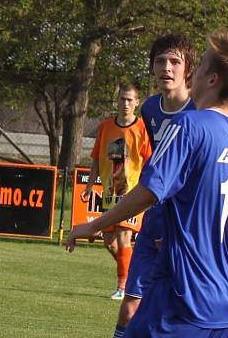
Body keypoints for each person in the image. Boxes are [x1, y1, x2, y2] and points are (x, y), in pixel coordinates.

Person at [68, 30, 228, 337]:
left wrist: (93, 225)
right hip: (226, 301)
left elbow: (149, 193)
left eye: (200, 64)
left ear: (212, 79)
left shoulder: (189, 126)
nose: (193, 72)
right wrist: (206, 239)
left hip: (181, 295)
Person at [112, 33, 197, 336]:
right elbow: (155, 159)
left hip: (186, 225)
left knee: (176, 312)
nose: (167, 67)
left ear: (188, 69)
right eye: (160, 61)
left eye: (175, 61)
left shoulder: (200, 111)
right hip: (154, 217)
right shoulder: (149, 109)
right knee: (130, 306)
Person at [82, 82, 151, 300]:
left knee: (123, 236)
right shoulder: (105, 127)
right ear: (117, 100)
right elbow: (96, 159)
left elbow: (150, 163)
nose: (126, 103)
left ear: (137, 103)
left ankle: (124, 288)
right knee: (109, 242)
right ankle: (132, 276)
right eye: (122, 99)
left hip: (132, 192)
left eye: (130, 99)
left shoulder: (142, 129)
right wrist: (90, 185)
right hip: (111, 191)